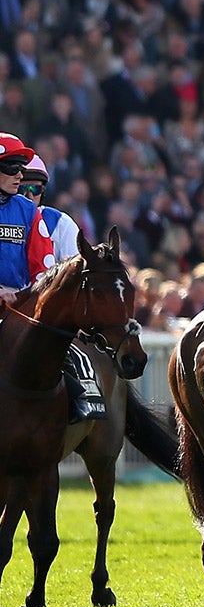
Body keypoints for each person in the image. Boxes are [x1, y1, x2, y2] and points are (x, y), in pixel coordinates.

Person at [0, 133, 100, 424]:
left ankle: (83, 395)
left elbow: (43, 267)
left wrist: (26, 297)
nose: (20, 175)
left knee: (57, 345)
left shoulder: (29, 212)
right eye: (13, 167)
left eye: (22, 168)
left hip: (19, 304)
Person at [18, 154, 79, 277]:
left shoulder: (62, 224)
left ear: (43, 191)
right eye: (22, 188)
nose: (29, 196)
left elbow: (74, 275)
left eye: (35, 189)